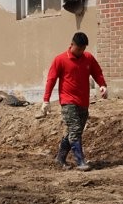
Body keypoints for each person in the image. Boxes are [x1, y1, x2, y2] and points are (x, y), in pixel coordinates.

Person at [40, 31, 108, 171]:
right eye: (78, 49)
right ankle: (80, 161)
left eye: (83, 49)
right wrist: (46, 100)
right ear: (71, 45)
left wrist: (102, 85)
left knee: (74, 131)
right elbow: (51, 80)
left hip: (83, 101)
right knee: (75, 129)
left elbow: (97, 72)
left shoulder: (88, 57)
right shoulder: (60, 60)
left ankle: (60, 158)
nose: (81, 52)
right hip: (67, 101)